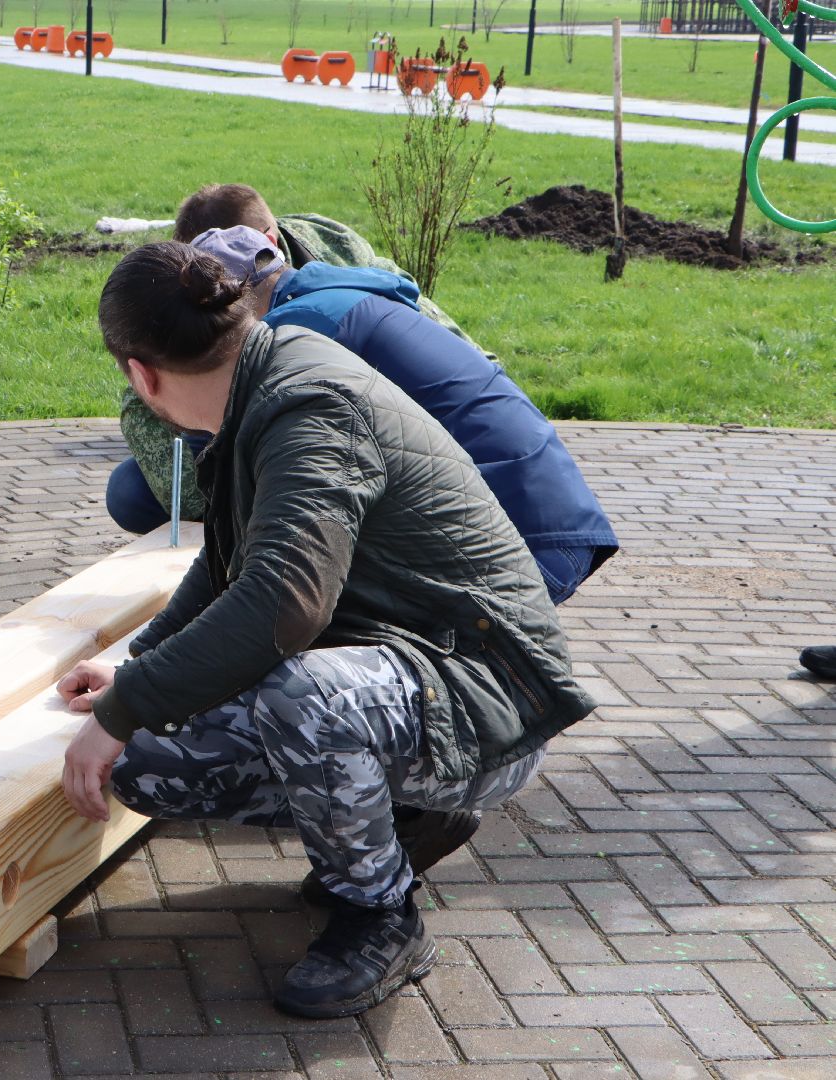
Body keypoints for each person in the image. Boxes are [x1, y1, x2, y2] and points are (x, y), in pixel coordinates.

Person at [59, 242, 595, 1020]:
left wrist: (126, 704)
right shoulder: (263, 378)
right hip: (421, 668)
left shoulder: (309, 407)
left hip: (493, 701)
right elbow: (228, 565)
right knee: (145, 765)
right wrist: (136, 675)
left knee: (303, 698)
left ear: (142, 376)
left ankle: (381, 919)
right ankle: (412, 816)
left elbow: (283, 604)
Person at [109, 184, 619, 607]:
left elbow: (279, 549)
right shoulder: (336, 296)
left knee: (309, 616)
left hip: (522, 556)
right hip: (550, 524)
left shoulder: (299, 336)